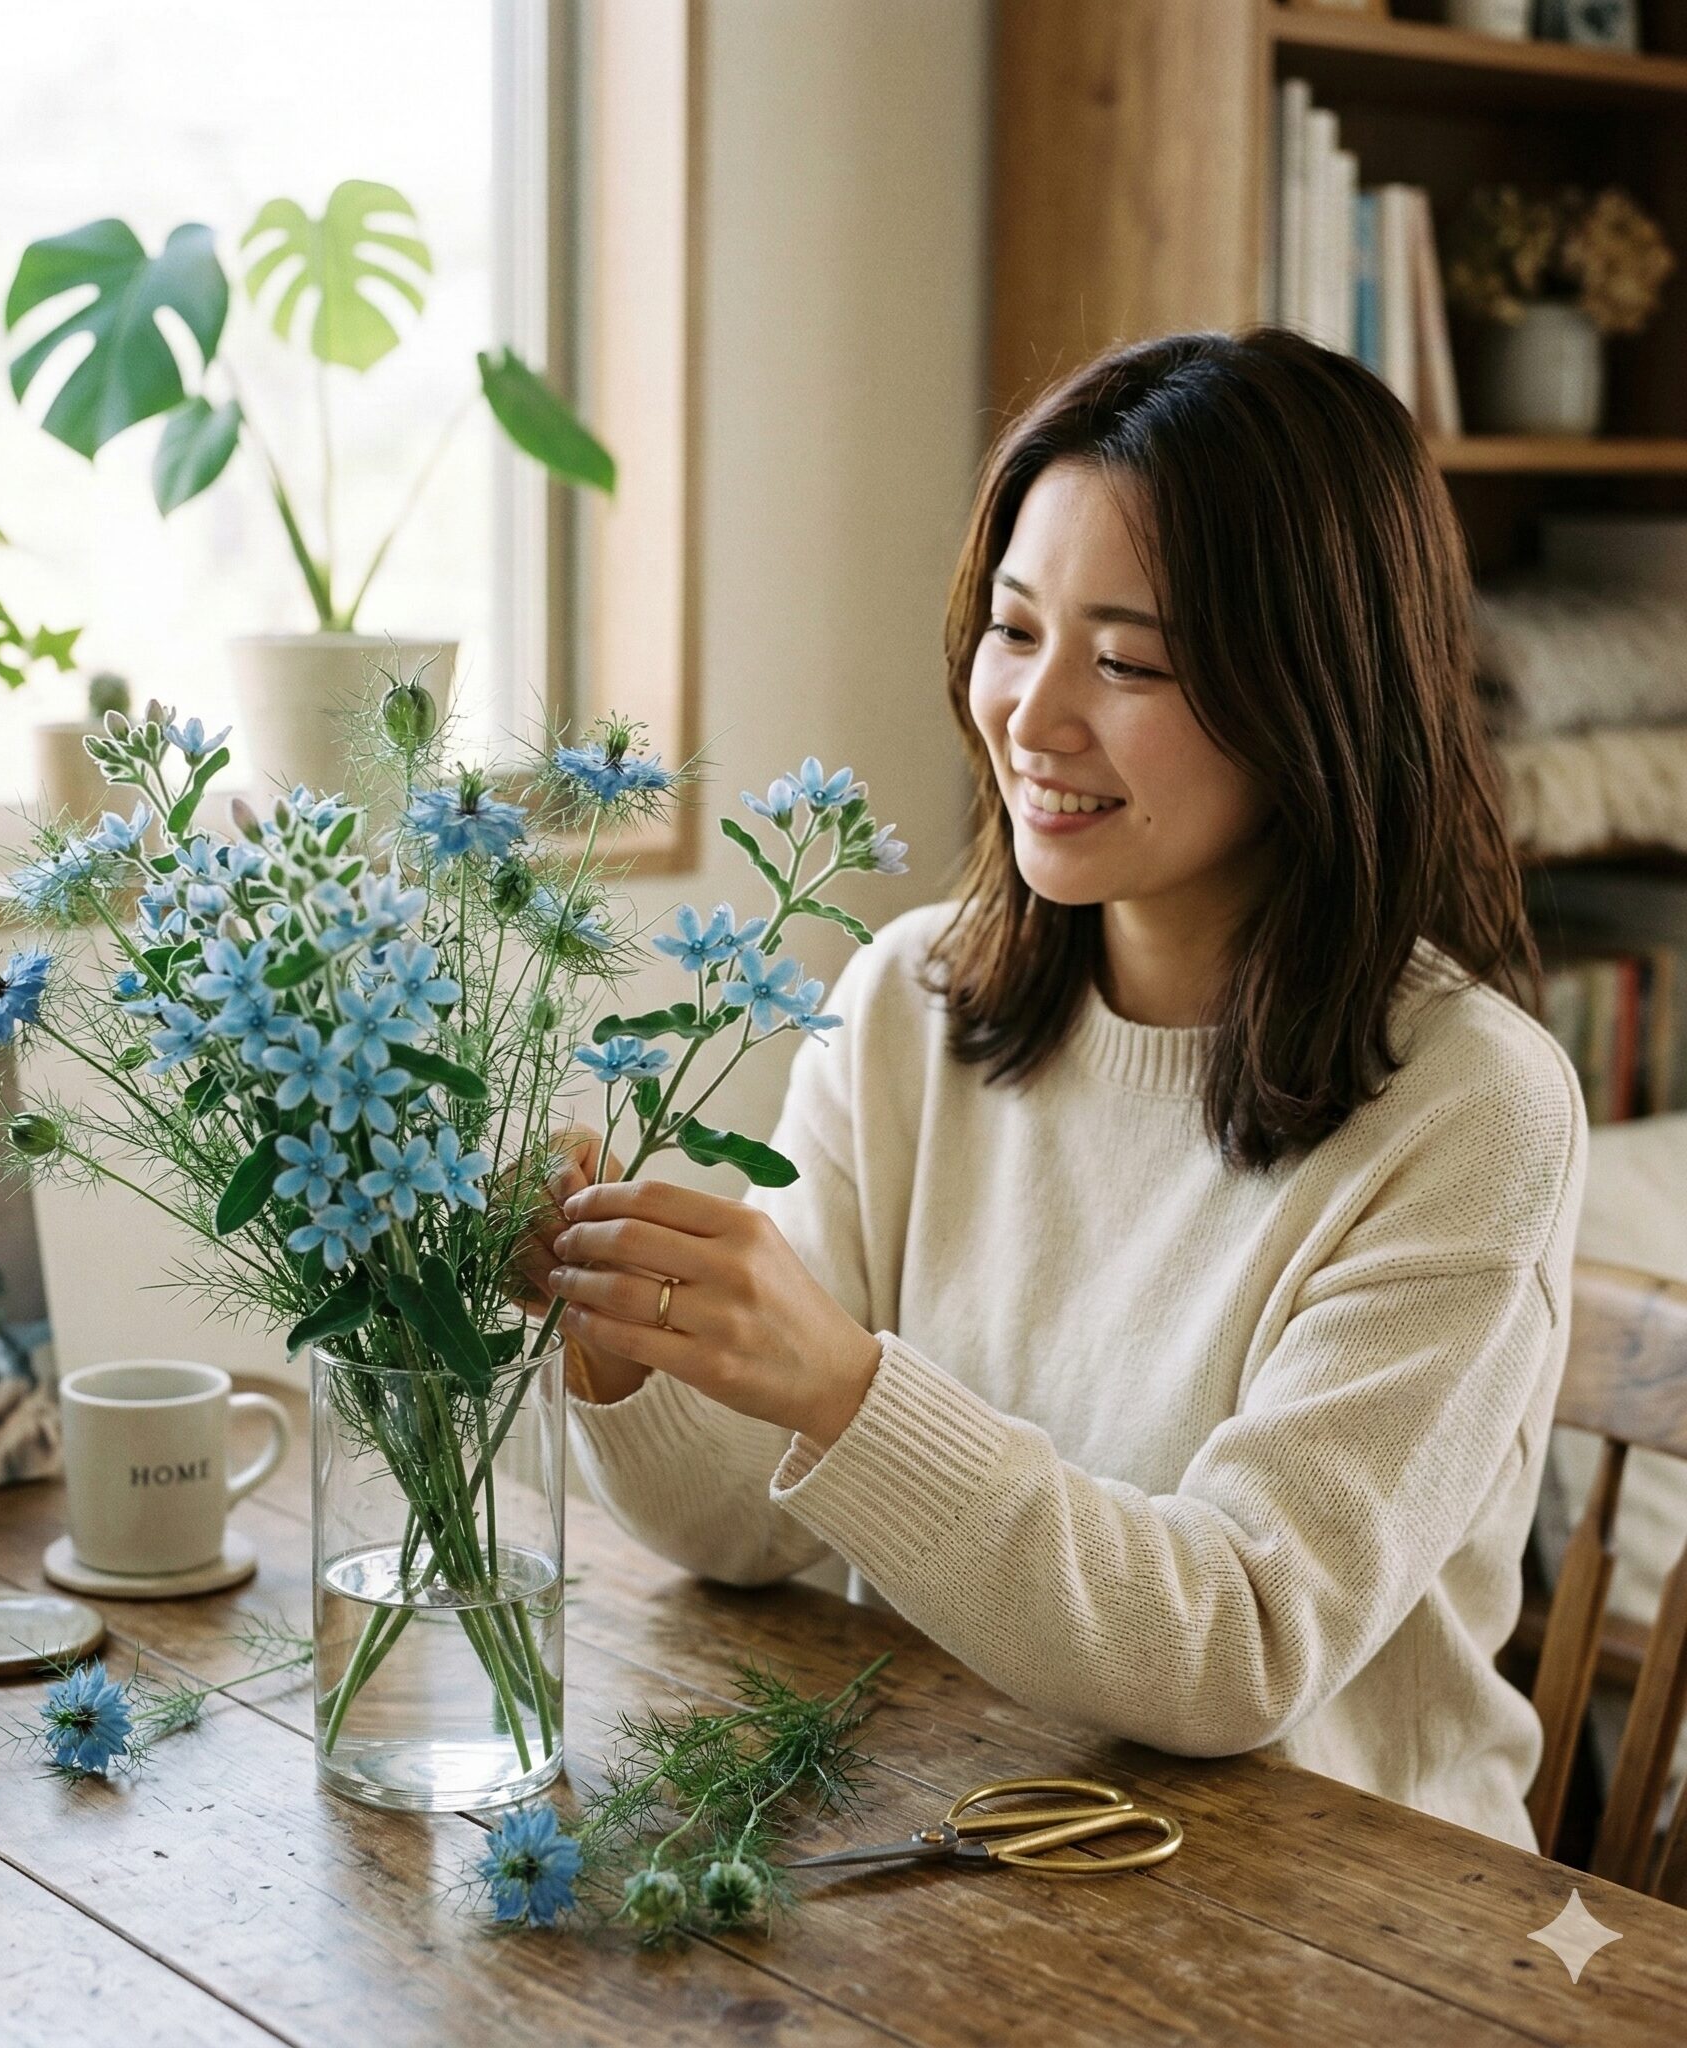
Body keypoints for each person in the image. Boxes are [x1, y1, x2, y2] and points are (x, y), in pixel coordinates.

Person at [516, 328, 1592, 1851]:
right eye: (1014, 630)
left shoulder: (1475, 1109)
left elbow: (1242, 1647)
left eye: (1131, 661)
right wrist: (628, 1353)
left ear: (1316, 697)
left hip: (1343, 1915)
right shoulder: (913, 1000)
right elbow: (745, 1530)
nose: (1032, 714)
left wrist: (842, 1382)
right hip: (965, 1838)